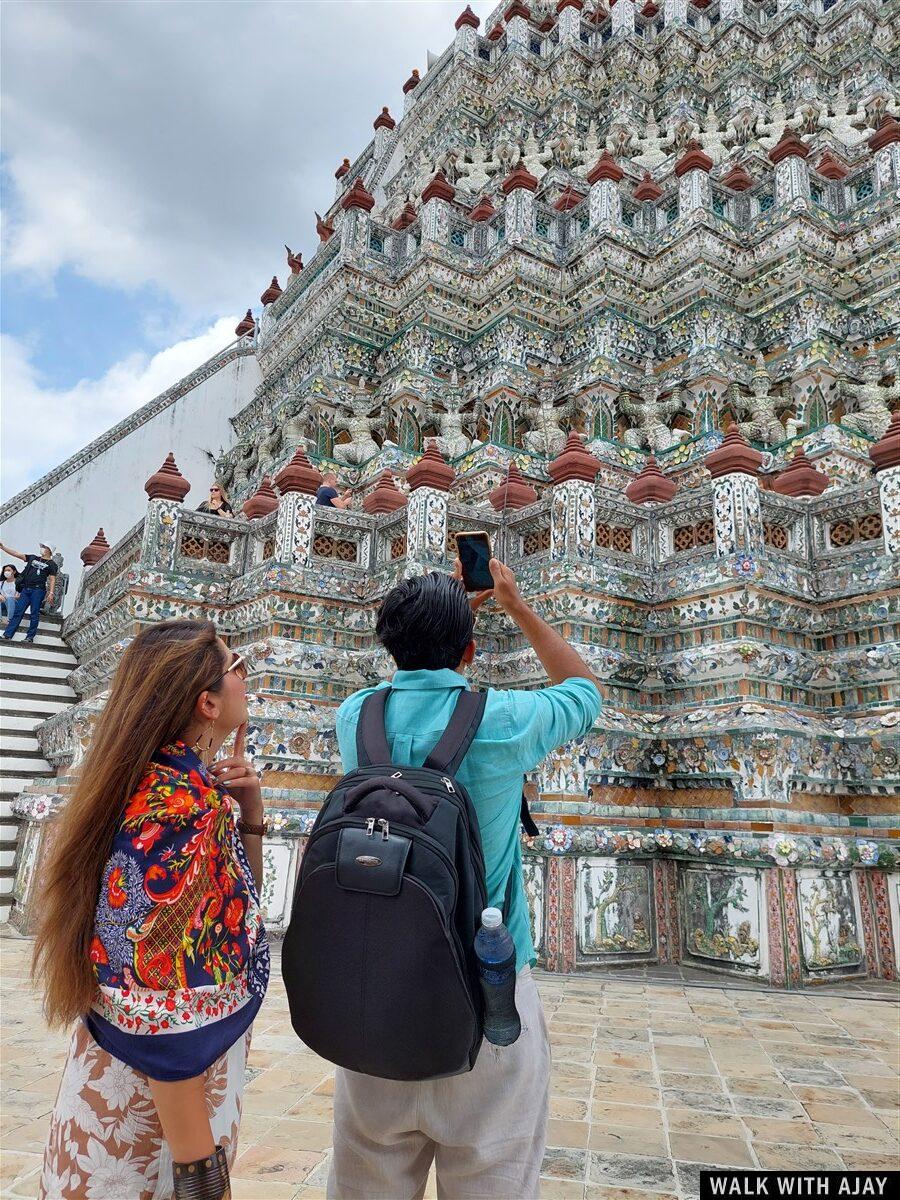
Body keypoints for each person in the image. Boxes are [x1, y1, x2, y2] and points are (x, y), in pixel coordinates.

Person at [328, 559, 601, 1200]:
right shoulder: (503, 721)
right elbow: (584, 691)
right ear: (471, 648)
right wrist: (515, 602)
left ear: (387, 642)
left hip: (375, 1002)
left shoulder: (355, 717)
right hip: (489, 1005)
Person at [33, 619, 269, 1200]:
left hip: (134, 1105)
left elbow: (229, 917)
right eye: (235, 664)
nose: (247, 676)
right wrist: (201, 1177)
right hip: (151, 1134)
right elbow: (160, 1010)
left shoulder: (175, 787)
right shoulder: (176, 808)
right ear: (207, 702)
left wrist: (249, 812)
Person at [0, 540, 58, 642]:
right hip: (26, 590)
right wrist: (3, 547)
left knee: (34, 613)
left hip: (38, 591)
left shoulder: (52, 564)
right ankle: (7, 635)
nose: (42, 548)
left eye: (44, 547)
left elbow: (53, 579)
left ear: (49, 550)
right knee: (18, 612)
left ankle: (30, 637)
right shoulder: (33, 558)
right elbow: (17, 554)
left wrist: (51, 593)